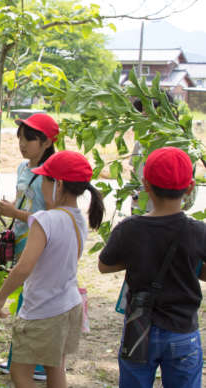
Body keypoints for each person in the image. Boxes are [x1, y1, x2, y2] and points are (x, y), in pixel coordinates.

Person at [0, 150, 104, 388]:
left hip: (42, 310)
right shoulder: (78, 218)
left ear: (59, 185)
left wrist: (1, 297)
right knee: (56, 368)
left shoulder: (46, 220)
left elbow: (23, 268)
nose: (42, 186)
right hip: (68, 305)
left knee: (20, 372)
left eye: (44, 179)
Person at [99, 147, 206, 388]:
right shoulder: (198, 231)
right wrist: (192, 266)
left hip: (139, 330)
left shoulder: (130, 228)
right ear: (190, 187)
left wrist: (139, 257)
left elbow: (103, 265)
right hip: (182, 333)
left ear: (146, 185)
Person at [0, 112, 59, 380]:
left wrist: (16, 213)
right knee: (27, 301)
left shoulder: (52, 174)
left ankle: (38, 365)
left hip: (41, 246)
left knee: (32, 303)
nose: (22, 144)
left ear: (46, 143)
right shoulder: (23, 168)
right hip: (22, 241)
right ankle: (18, 360)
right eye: (20, 138)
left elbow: (54, 217)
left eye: (29, 139)